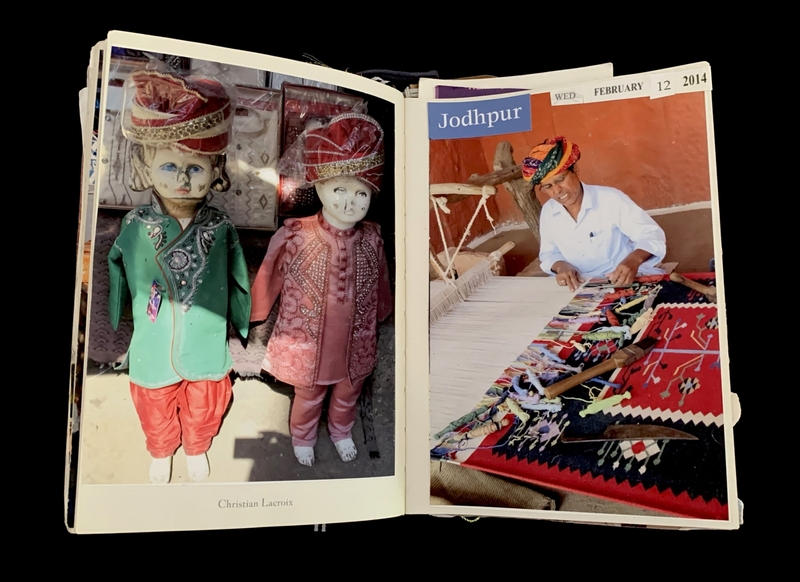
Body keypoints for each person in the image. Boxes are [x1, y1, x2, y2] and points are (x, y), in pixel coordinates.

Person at [108, 70, 251, 484]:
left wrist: (242, 321)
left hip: (206, 340)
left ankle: (197, 444)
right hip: (153, 341)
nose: (183, 178)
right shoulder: (135, 225)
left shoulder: (220, 226)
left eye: (196, 167)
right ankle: (160, 448)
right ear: (145, 168)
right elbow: (117, 272)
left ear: (216, 169)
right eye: (169, 165)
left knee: (207, 398)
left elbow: (238, 277)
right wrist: (120, 320)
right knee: (153, 399)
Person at [250, 113, 392, 467]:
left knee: (349, 390)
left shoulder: (372, 237)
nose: (349, 202)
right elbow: (271, 273)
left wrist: (381, 313)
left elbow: (381, 281)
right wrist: (257, 311)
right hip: (310, 340)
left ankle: (342, 430)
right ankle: (303, 436)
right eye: (339, 189)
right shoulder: (296, 233)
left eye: (361, 193)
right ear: (319, 187)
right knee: (308, 392)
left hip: (355, 339)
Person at [522, 136, 666, 291]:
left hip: (618, 277)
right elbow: (549, 253)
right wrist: (561, 266)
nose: (557, 190)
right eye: (548, 186)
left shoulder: (610, 199)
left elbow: (651, 234)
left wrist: (633, 261)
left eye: (560, 180)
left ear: (575, 171)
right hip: (578, 285)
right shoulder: (549, 212)